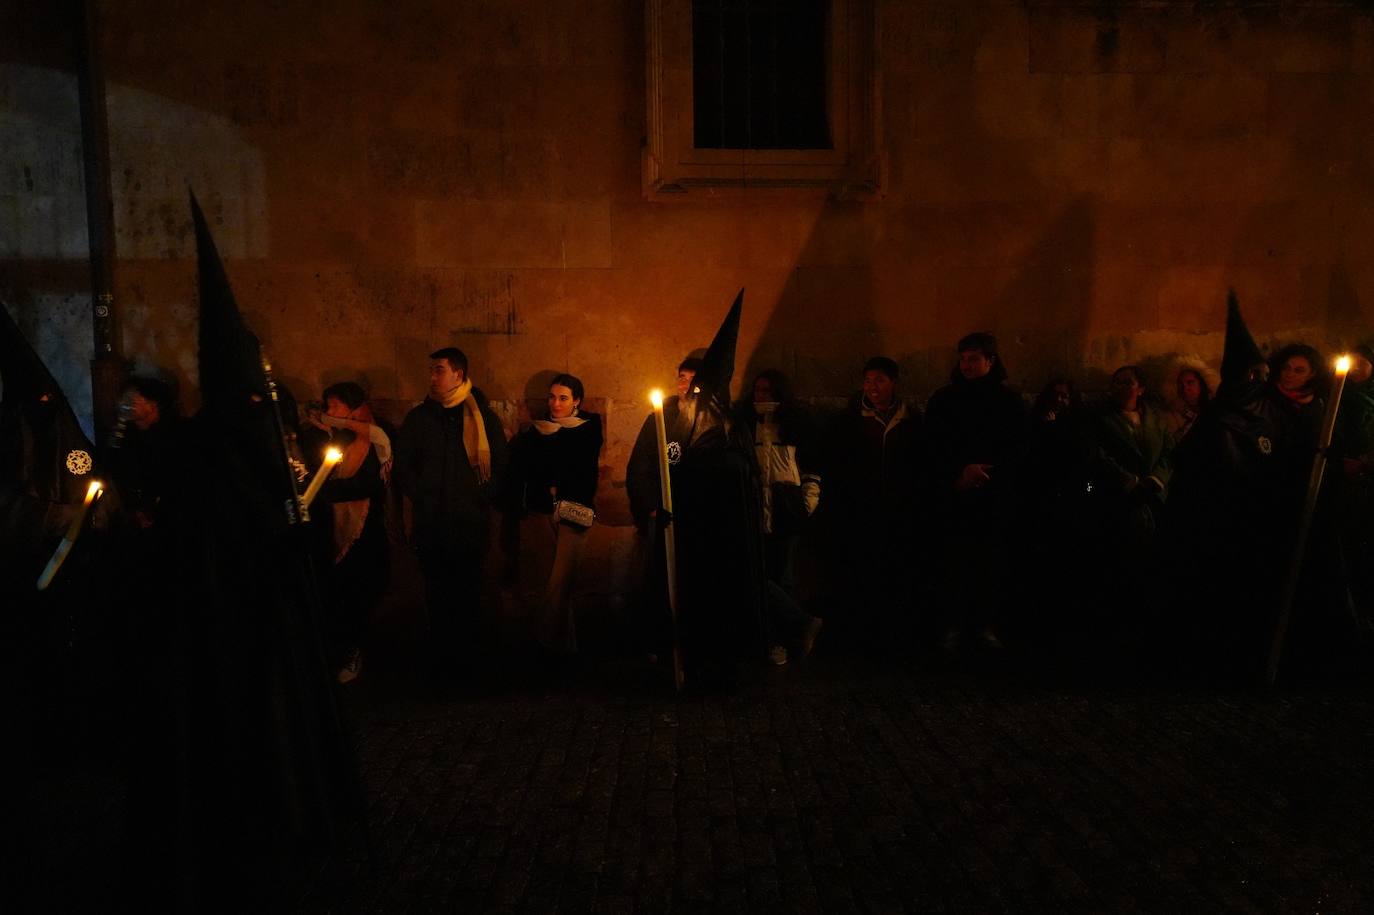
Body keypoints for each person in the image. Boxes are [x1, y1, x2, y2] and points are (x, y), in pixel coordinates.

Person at [625, 291, 766, 685]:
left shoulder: (728, 425)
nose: (683, 385)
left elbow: (742, 473)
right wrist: (653, 505)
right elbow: (644, 464)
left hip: (716, 531)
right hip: (676, 522)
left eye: (691, 378)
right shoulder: (666, 415)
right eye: (680, 377)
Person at [393, 346, 508, 667]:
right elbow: (404, 466)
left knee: (468, 593)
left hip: (469, 523)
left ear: (459, 374)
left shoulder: (482, 418)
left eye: (439, 370)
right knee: (437, 594)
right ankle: (441, 660)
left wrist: (479, 497)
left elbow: (499, 465)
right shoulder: (419, 418)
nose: (432, 376)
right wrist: (423, 496)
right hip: (431, 523)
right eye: (431, 370)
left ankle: (467, 661)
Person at [924, 332, 1028, 653]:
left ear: (990, 361)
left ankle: (986, 624)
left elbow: (1018, 448)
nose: (966, 365)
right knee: (954, 561)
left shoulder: (1008, 402)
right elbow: (934, 447)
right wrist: (958, 476)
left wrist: (988, 475)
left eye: (973, 359)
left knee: (991, 563)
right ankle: (953, 623)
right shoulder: (944, 400)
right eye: (963, 359)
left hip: (994, 497)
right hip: (955, 496)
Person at [821, 356, 923, 652]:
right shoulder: (850, 422)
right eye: (868, 380)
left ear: (894, 382)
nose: (872, 386)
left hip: (898, 511)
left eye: (879, 380)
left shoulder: (911, 421)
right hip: (861, 511)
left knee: (896, 572)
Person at [503, 373, 603, 656]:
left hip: (574, 512)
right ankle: (566, 649)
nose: (556, 404)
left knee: (560, 581)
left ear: (576, 402)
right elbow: (527, 468)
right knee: (552, 581)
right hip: (541, 511)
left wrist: (552, 449)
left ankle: (541, 641)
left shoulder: (588, 427)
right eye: (552, 397)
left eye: (563, 398)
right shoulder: (536, 431)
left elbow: (579, 464)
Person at [1079, 365, 1173, 655]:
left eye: (1128, 382)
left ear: (1140, 388)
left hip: (1152, 499)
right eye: (1116, 382)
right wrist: (1127, 481)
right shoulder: (1101, 420)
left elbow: (1169, 453)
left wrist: (1157, 479)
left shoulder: (1156, 420)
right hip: (1119, 501)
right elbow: (1097, 454)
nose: (1121, 387)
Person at [305, 381, 392, 683]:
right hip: (334, 529)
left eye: (335, 405)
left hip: (365, 533)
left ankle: (354, 651)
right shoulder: (332, 435)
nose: (329, 411)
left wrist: (327, 491)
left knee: (359, 595)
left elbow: (373, 483)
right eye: (327, 405)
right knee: (336, 594)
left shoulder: (376, 436)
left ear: (352, 407)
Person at [740, 369, 823, 665]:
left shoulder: (794, 426)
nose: (761, 396)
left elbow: (810, 468)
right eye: (757, 390)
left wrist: (806, 504)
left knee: (783, 577)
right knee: (758, 577)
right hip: (754, 511)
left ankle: (790, 641)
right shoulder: (745, 426)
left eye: (767, 391)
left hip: (785, 511)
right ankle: (792, 629)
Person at [1166, 363, 1212, 445]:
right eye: (1180, 384)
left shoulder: (1215, 407)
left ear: (1200, 384)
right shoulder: (1173, 414)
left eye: (1190, 382)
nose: (1185, 388)